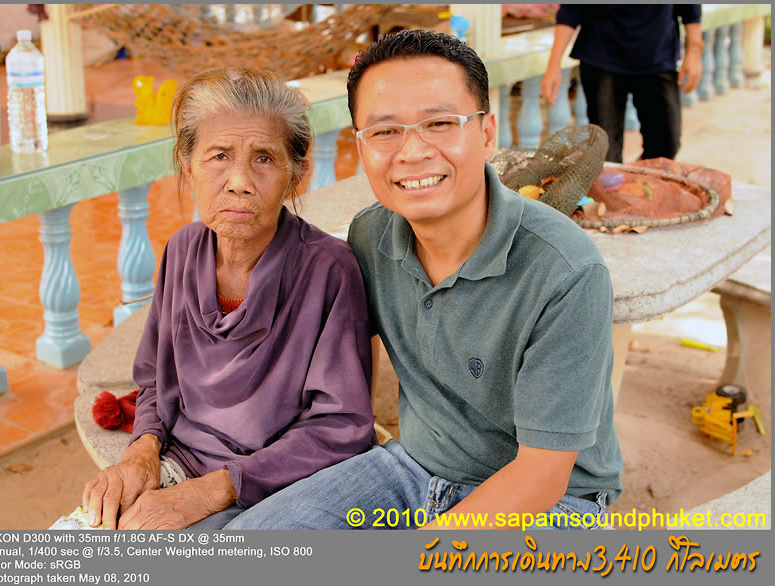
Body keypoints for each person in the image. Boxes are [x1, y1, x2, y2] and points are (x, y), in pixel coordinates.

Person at [223, 30, 622, 531]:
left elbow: (542, 476)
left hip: (554, 503)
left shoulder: (566, 271)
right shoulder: (371, 235)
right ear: (361, 146)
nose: (412, 152)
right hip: (413, 467)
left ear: (487, 134)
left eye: (439, 123)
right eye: (385, 131)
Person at [80, 68, 376, 530]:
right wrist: (142, 451)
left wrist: (212, 491)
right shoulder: (181, 250)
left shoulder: (328, 270)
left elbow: (340, 426)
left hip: (280, 483)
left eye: (264, 158)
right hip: (180, 460)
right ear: (187, 164)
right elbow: (155, 378)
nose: (239, 181)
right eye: (219, 156)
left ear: (296, 174)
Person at [541, 5, 703, 163]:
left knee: (666, 147)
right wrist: (554, 64)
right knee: (606, 154)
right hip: (602, 55)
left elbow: (691, 9)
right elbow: (571, 9)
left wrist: (694, 52)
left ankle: (638, 176)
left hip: (658, 55)